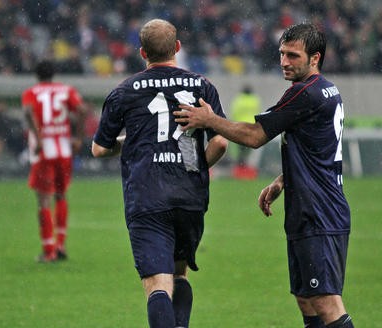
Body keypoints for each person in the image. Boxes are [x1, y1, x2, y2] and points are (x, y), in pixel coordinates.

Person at [175, 23, 354, 328]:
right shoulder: (326, 89)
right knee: (306, 298)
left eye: (293, 55)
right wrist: (283, 180)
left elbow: (255, 135)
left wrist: (209, 119)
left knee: (326, 301)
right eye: (282, 53)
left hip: (319, 212)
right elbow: (316, 149)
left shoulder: (305, 93)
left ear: (315, 58)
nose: (284, 61)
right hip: (309, 206)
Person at [91, 19, 228, 328]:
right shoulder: (202, 86)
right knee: (179, 275)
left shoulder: (125, 91)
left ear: (142, 53)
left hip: (148, 194)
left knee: (156, 284)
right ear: (177, 47)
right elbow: (220, 142)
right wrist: (195, 169)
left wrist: (131, 141)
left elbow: (99, 149)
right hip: (189, 196)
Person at [22, 60, 87, 262]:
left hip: (45, 151)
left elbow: (27, 112)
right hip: (64, 150)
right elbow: (83, 111)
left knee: (43, 199)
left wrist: (39, 137)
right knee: (60, 194)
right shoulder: (66, 90)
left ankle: (49, 250)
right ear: (53, 74)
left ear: (37, 75)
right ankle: (61, 244)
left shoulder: (31, 93)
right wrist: (78, 137)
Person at [230, 84, 261, 179]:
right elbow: (258, 112)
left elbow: (234, 113)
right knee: (248, 149)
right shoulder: (255, 100)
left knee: (240, 149)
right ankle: (246, 167)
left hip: (241, 127)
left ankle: (240, 167)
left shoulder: (238, 100)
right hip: (252, 128)